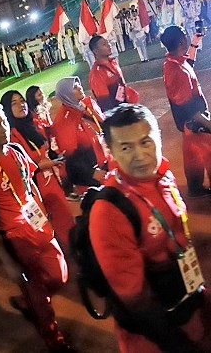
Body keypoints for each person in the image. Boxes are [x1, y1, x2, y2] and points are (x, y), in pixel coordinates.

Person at [89, 104, 207, 352]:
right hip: (152, 334)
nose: (140, 155)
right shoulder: (110, 210)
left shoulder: (162, 176)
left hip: (183, 300)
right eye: (125, 147)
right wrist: (177, 344)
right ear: (109, 151)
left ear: (158, 138)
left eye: (146, 142)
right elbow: (135, 297)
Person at [0, 100, 71, 351]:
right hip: (16, 237)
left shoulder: (16, 150)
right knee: (39, 295)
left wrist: (44, 216)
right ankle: (54, 341)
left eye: (3, 122)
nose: (2, 128)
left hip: (38, 226)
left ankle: (28, 301)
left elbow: (29, 184)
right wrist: (8, 262)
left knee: (60, 275)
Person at [1, 91, 74, 246]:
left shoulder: (30, 125)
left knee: (64, 220)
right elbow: (23, 168)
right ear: (7, 109)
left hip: (50, 182)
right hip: (37, 189)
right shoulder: (12, 136)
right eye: (14, 103)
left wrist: (54, 157)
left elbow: (42, 150)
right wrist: (49, 163)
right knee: (49, 229)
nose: (21, 104)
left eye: (22, 100)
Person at [160, 25, 211, 197]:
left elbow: (189, 62)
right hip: (195, 122)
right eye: (185, 35)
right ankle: (196, 189)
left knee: (193, 157)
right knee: (207, 154)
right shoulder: (176, 70)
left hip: (190, 125)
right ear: (181, 42)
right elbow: (187, 107)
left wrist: (195, 43)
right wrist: (207, 123)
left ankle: (195, 188)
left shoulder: (174, 62)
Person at [52, 77, 108, 191]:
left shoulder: (86, 104)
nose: (80, 88)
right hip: (92, 176)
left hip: (106, 162)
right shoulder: (63, 120)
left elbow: (103, 124)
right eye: (75, 87)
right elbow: (70, 156)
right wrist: (91, 173)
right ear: (66, 94)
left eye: (79, 84)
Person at [88, 35, 139, 112]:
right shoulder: (97, 73)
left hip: (125, 107)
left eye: (107, 42)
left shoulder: (113, 62)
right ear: (96, 51)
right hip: (117, 114)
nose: (109, 45)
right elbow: (104, 102)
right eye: (104, 44)